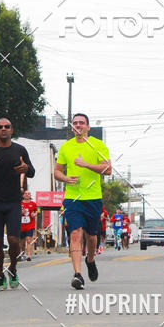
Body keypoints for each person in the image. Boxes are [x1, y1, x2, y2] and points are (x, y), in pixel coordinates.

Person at [54, 113, 111, 289]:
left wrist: (85, 164)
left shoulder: (97, 145)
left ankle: (91, 259)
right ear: (72, 127)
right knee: (75, 233)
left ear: (88, 127)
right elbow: (56, 171)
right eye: (75, 123)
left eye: (81, 123)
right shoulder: (66, 147)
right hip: (72, 198)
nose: (78, 125)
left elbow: (108, 169)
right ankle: (77, 274)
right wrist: (64, 178)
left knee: (92, 236)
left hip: (92, 198)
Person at [0, 118, 35, 290]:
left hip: (14, 202)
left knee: (13, 240)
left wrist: (26, 169)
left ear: (11, 130)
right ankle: (0, 275)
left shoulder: (19, 150)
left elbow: (31, 171)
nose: (3, 129)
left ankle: (13, 269)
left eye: (7, 127)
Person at [20, 190, 38, 261]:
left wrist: (34, 214)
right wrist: (21, 212)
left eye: (28, 194)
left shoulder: (33, 204)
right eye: (25, 194)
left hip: (30, 225)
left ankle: (29, 255)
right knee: (22, 242)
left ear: (30, 195)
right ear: (23, 195)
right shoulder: (20, 203)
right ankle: (23, 254)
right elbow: (15, 212)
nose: (27, 195)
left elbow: (36, 211)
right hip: (21, 225)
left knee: (29, 240)